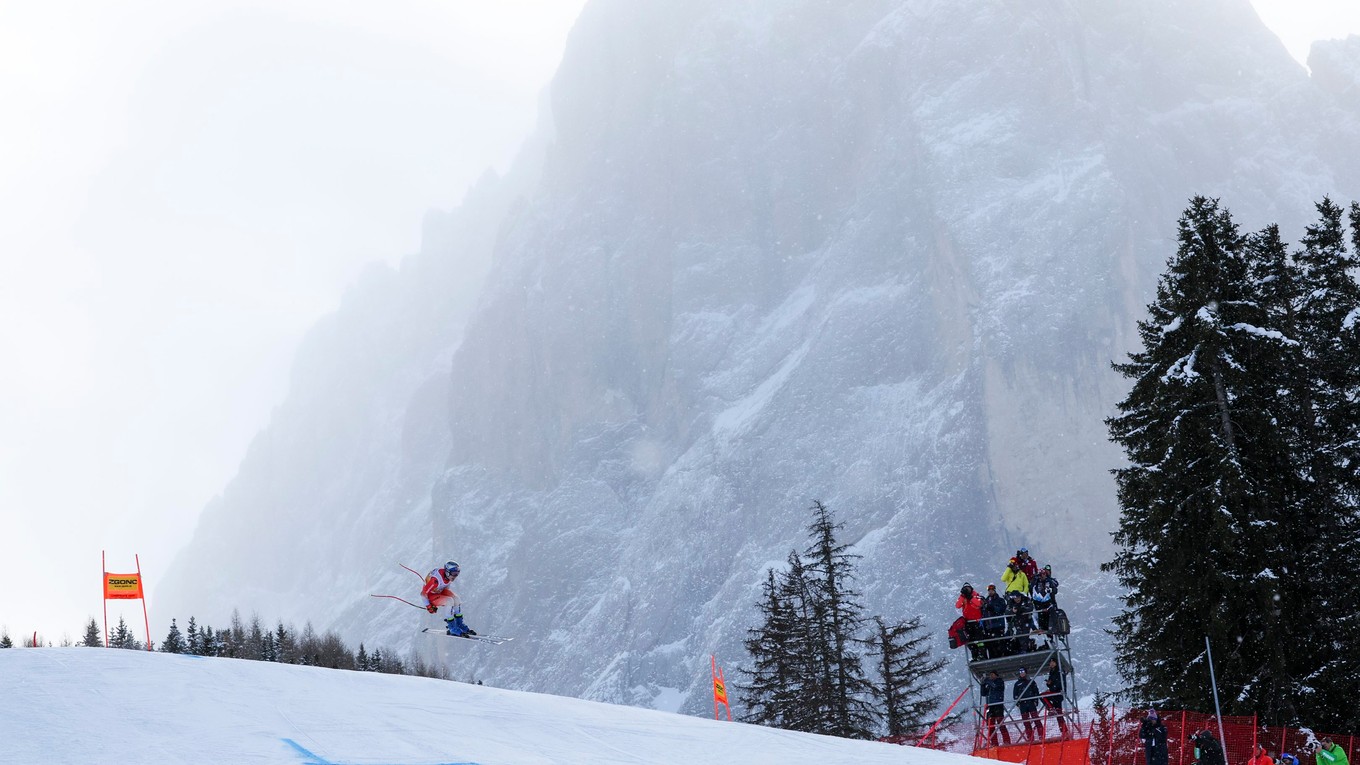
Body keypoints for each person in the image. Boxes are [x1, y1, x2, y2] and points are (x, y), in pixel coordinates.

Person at [422, 560, 476, 636]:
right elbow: (423, 594)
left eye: (457, 574)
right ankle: (452, 628)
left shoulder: (448, 577)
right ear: (447, 572)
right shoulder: (435, 580)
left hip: (439, 591)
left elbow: (445, 588)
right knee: (449, 601)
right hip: (431, 596)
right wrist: (429, 606)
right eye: (454, 574)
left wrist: (448, 605)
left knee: (456, 599)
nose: (455, 576)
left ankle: (459, 624)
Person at [981, 670, 1012, 747]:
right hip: (991, 706)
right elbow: (983, 693)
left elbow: (995, 686)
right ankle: (994, 743)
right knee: (990, 725)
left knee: (1000, 724)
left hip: (998, 705)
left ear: (996, 675)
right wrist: (982, 685)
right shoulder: (989, 685)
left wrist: (987, 681)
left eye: (992, 674)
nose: (991, 676)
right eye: (990, 675)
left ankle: (1007, 741)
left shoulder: (1000, 682)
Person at [1041, 658, 1070, 739]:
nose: (1052, 664)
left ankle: (1051, 709)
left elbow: (1059, 683)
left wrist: (1051, 688)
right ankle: (1064, 731)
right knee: (1058, 714)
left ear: (1056, 663)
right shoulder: (1052, 672)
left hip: (1058, 693)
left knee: (1058, 713)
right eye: (1050, 662)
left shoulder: (1059, 671)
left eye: (1053, 662)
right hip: (1055, 693)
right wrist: (1049, 684)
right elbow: (1053, 683)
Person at [956, 583, 985, 660]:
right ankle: (974, 656)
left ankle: (982, 655)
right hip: (968, 622)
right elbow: (958, 605)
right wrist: (962, 596)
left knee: (979, 639)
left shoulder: (976, 595)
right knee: (970, 640)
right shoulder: (963, 597)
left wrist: (971, 597)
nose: (967, 590)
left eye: (968, 588)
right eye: (965, 589)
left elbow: (979, 604)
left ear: (971, 588)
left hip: (977, 621)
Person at [1013, 667, 1042, 741]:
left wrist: (1035, 701)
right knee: (1026, 722)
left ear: (1026, 672)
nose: (1021, 673)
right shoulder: (1017, 684)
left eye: (1023, 671)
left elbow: (1036, 691)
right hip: (1023, 704)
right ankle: (1030, 737)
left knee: (1036, 719)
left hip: (1031, 702)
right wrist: (1018, 703)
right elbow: (1015, 695)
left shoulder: (1031, 681)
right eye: (1020, 672)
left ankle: (1041, 735)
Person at [981, 584, 1008, 656]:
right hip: (989, 627)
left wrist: (992, 608)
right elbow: (984, 614)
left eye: (992, 590)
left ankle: (1002, 656)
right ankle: (993, 657)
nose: (990, 592)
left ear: (995, 591)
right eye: (989, 590)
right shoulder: (986, 601)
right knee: (991, 645)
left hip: (998, 625)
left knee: (1000, 643)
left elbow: (1002, 609)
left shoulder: (1000, 600)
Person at [1031, 566, 1059, 633]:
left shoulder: (1049, 581)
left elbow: (1055, 589)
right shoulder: (1036, 581)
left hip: (1047, 601)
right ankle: (1041, 628)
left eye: (1044, 574)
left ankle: (1053, 627)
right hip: (1038, 601)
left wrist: (1051, 590)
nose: (1043, 576)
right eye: (1041, 574)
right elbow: (1031, 586)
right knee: (1040, 614)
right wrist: (1035, 577)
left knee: (1050, 613)